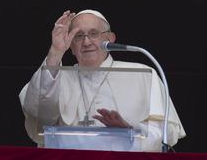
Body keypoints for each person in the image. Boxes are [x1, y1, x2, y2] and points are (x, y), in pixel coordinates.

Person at [19, 9, 186, 151]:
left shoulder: (143, 74)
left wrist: (130, 131)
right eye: (78, 36)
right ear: (70, 45)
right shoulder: (57, 76)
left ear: (110, 38)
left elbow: (165, 134)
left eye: (94, 34)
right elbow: (38, 114)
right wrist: (56, 51)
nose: (86, 42)